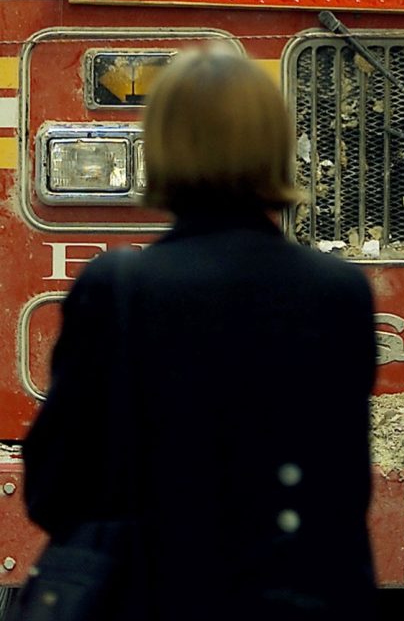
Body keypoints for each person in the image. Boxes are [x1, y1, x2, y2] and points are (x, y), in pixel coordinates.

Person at [22, 45, 378, 620]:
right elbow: (341, 499)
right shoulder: (338, 293)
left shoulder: (116, 287)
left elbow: (54, 488)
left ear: (162, 147)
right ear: (276, 146)